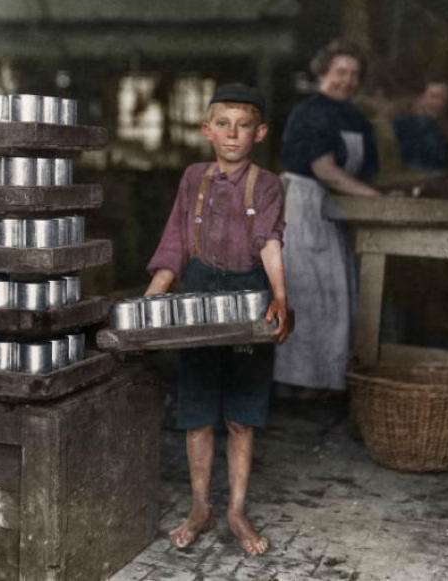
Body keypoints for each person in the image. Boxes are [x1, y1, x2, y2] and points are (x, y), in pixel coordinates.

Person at [145, 83, 290, 556]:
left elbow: (270, 242)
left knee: (241, 416)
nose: (233, 133)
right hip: (200, 294)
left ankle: (236, 511)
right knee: (198, 413)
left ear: (259, 133)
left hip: (250, 296)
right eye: (223, 124)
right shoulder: (193, 179)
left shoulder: (268, 185)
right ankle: (200, 507)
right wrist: (151, 301)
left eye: (243, 125)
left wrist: (280, 298)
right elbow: (175, 244)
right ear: (207, 130)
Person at [274, 39, 381, 396]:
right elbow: (325, 169)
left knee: (334, 299)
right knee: (306, 296)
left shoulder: (356, 117)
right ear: (323, 73)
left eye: (353, 74)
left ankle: (322, 383)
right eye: (340, 72)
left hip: (337, 209)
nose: (346, 81)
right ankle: (292, 383)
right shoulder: (310, 112)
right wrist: (374, 198)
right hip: (304, 208)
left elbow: (365, 171)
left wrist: (371, 192)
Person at [392, 75, 448, 172]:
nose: (439, 103)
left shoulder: (442, 128)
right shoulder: (401, 126)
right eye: (433, 96)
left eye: (444, 98)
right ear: (420, 97)